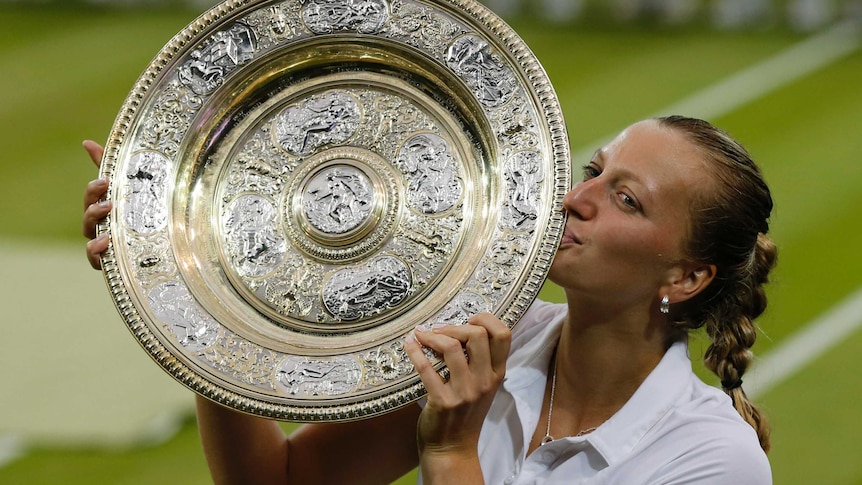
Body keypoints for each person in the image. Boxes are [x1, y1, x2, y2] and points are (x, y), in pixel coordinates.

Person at [82, 115, 775, 484]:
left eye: (625, 199)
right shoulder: (487, 337)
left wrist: (450, 453)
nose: (576, 199)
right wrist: (201, 287)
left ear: (686, 277)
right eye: (594, 170)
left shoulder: (713, 460)